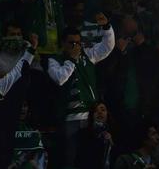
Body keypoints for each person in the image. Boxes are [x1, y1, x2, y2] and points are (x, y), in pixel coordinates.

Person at [47, 14, 114, 169]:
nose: (76, 46)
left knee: (92, 158)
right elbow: (60, 78)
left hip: (91, 116)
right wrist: (71, 60)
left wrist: (106, 27)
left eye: (78, 42)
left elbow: (107, 47)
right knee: (70, 159)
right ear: (63, 43)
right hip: (69, 119)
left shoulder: (87, 55)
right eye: (71, 43)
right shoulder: (54, 60)